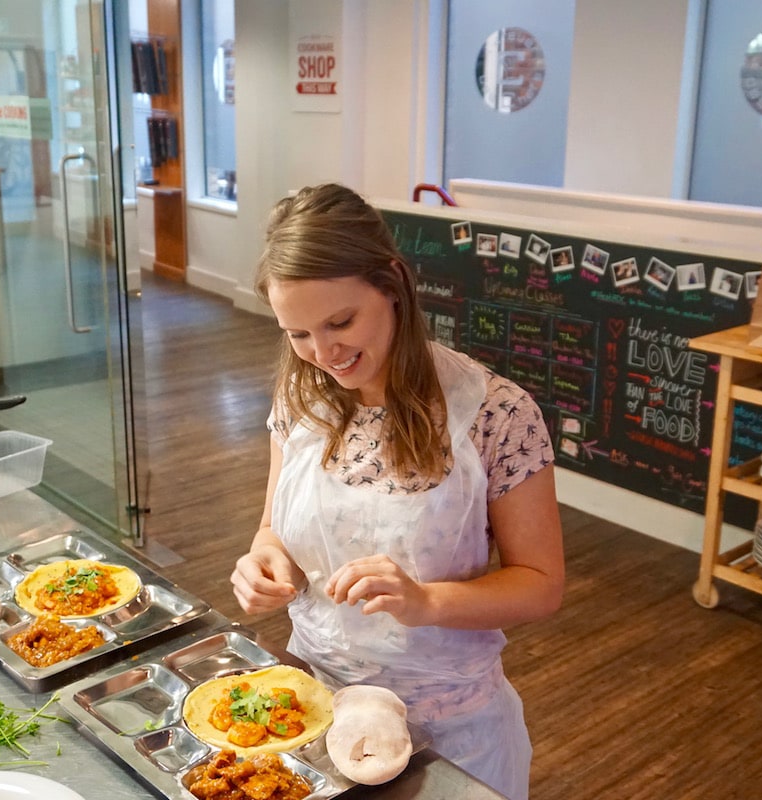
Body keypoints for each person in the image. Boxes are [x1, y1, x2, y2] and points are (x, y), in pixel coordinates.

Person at [229, 184, 564, 799]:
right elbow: (273, 525)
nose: (323, 354)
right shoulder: (300, 396)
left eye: (340, 322)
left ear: (393, 285)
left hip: (449, 730)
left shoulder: (497, 414)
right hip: (312, 710)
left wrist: (426, 602)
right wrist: (264, 559)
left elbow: (541, 584)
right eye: (297, 334)